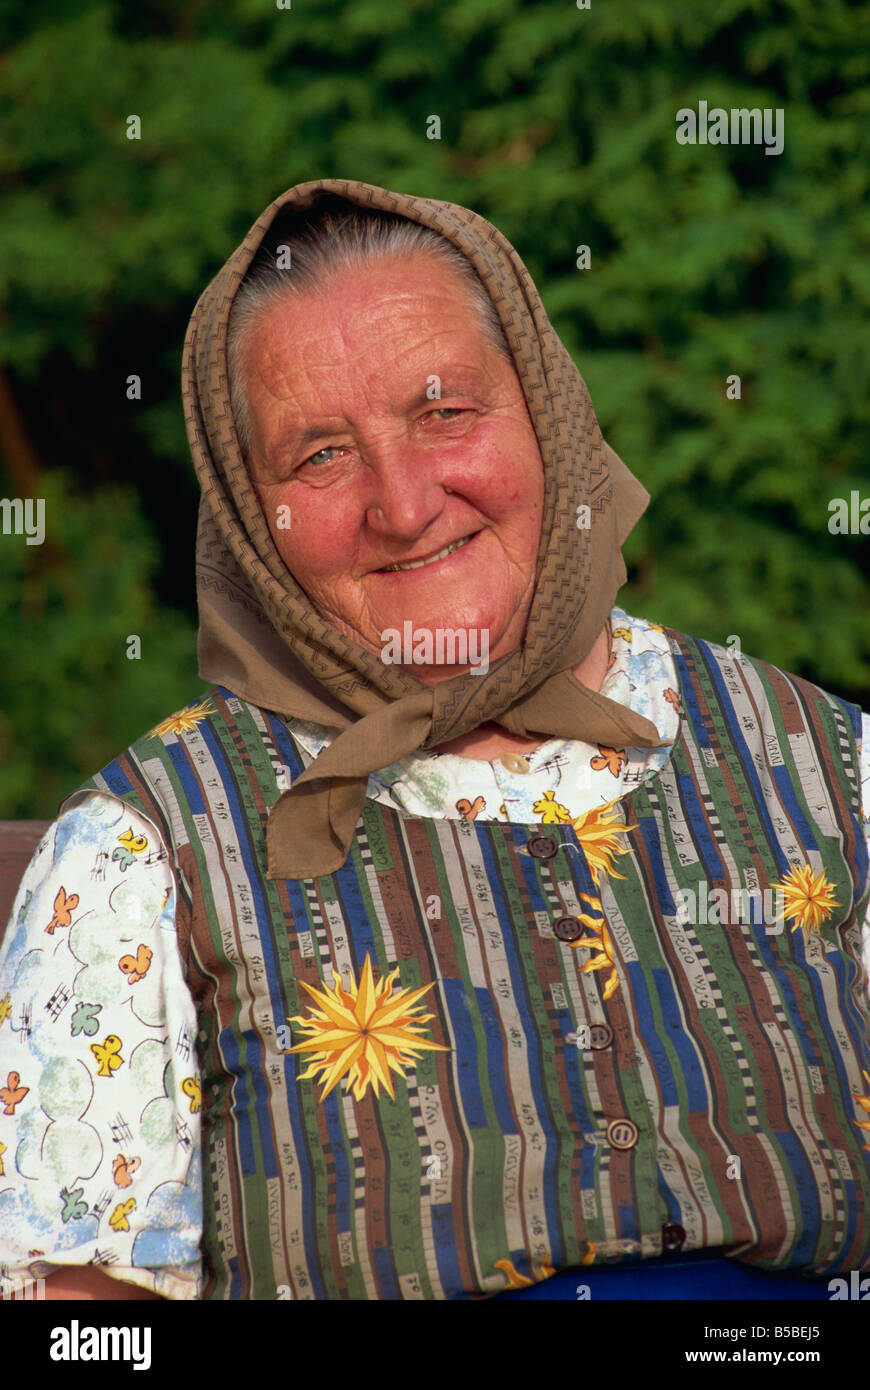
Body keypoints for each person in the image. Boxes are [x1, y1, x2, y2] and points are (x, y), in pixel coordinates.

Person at [0, 178, 868, 1303]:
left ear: (548, 413)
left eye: (445, 410)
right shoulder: (140, 857)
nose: (404, 505)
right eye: (319, 456)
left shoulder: (826, 767)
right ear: (243, 516)